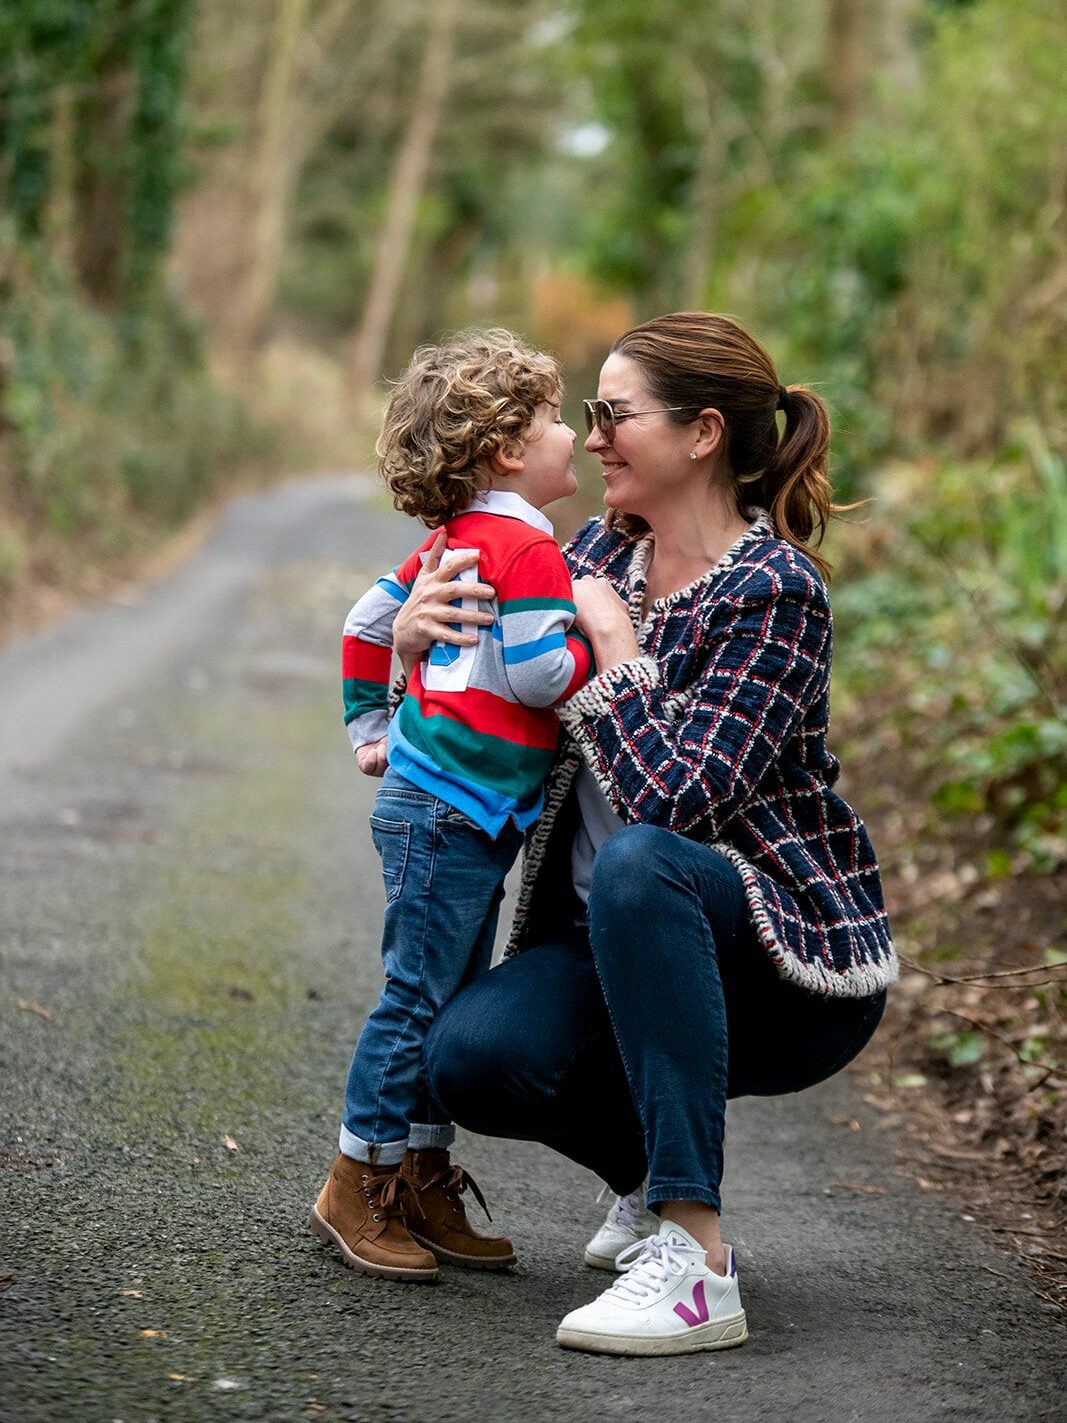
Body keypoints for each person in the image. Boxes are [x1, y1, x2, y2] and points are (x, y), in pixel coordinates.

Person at [388, 312, 896, 1352]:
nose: (593, 436)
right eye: (590, 416)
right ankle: (645, 1182)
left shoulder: (774, 592)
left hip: (779, 964)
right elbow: (473, 687)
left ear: (701, 432)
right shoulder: (586, 552)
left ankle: (695, 1257)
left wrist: (614, 650)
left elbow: (675, 804)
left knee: (637, 860)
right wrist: (406, 641)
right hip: (615, 941)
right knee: (470, 1058)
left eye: (613, 415)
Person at [309, 331, 592, 1282]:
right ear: (507, 448)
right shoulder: (528, 550)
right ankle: (355, 1182)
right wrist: (603, 643)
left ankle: (419, 1175)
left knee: (445, 996)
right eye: (557, 418)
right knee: (417, 997)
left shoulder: (451, 540)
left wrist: (369, 729)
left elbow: (363, 625)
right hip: (450, 807)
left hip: (445, 805)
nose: (573, 433)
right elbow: (541, 669)